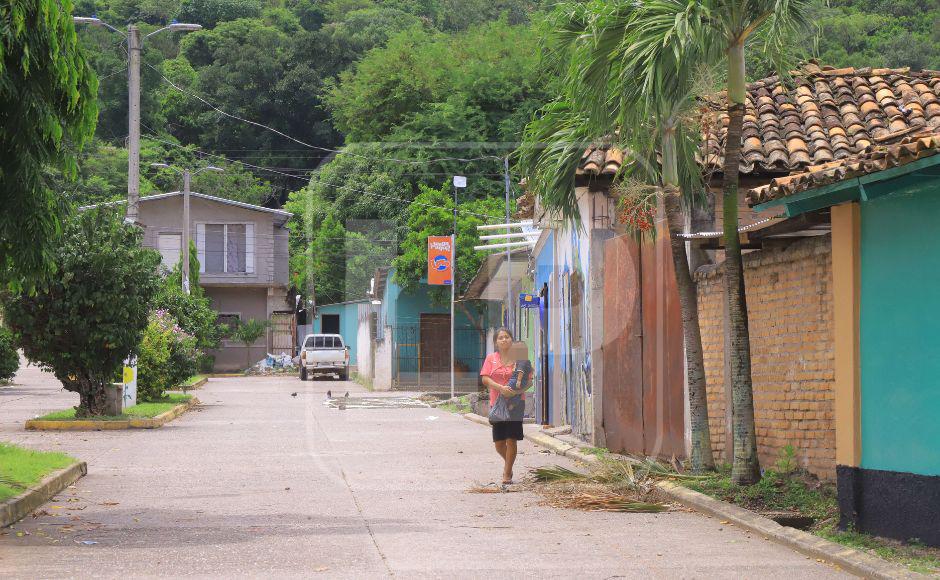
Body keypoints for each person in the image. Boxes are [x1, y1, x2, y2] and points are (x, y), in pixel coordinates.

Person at [480, 328, 529, 485]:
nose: (504, 340)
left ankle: (507, 474)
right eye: (500, 338)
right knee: (499, 443)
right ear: (496, 342)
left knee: (511, 439)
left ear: (511, 340)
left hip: (516, 403)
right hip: (497, 404)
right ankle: (509, 464)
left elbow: (529, 381)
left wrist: (515, 391)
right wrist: (500, 388)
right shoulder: (491, 358)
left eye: (507, 337)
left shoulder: (519, 358)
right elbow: (485, 379)